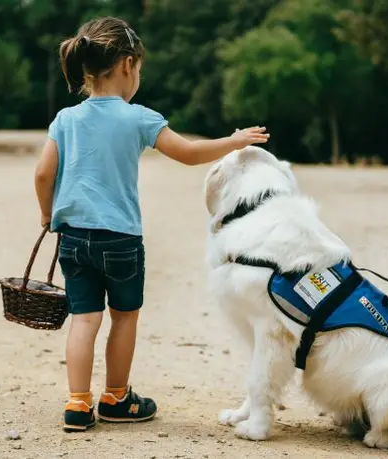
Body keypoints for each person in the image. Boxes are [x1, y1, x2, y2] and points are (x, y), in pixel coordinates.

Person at [33, 16, 270, 432]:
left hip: (73, 239)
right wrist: (234, 142)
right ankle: (116, 398)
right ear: (127, 65)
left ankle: (76, 403)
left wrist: (48, 213)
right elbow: (190, 153)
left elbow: (42, 174)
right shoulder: (139, 118)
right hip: (121, 239)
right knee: (124, 317)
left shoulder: (66, 120)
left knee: (84, 319)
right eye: (139, 68)